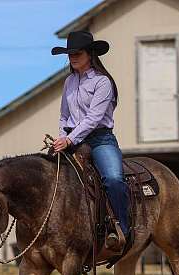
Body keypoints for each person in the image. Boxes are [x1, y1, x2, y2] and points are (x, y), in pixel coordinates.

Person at [51, 30, 130, 253]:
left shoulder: (103, 82)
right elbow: (64, 115)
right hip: (71, 139)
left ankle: (123, 228)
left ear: (90, 54)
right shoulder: (69, 82)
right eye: (70, 54)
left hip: (100, 140)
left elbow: (94, 119)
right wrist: (61, 137)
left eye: (78, 53)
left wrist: (69, 139)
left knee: (113, 179)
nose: (73, 57)